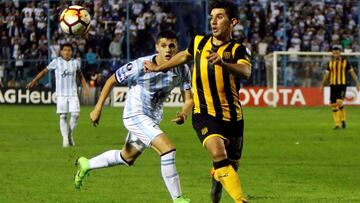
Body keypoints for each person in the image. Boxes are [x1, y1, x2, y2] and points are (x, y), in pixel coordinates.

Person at [144, 1, 251, 202]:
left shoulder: (238, 50)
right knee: (219, 153)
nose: (214, 21)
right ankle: (241, 200)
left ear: (233, 22)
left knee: (230, 165)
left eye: (219, 17)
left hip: (233, 117)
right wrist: (160, 68)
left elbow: (246, 71)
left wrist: (223, 63)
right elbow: (184, 55)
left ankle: (217, 175)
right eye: (211, 17)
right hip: (204, 114)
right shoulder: (199, 42)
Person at [74, 30, 192, 203]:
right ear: (157, 47)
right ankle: (178, 199)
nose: (168, 50)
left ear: (177, 48)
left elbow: (189, 99)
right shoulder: (139, 65)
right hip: (135, 114)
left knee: (127, 157)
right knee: (167, 149)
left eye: (172, 46)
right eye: (164, 45)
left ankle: (87, 164)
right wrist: (98, 108)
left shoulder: (182, 69)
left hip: (152, 118)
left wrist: (184, 113)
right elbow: (112, 80)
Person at [26, 43, 89, 147]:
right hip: (61, 94)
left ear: (72, 52)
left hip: (73, 93)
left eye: (69, 50)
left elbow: (80, 75)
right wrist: (34, 80)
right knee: (63, 116)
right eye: (65, 50)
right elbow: (44, 71)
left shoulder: (75, 62)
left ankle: (69, 135)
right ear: (61, 52)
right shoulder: (56, 62)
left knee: (75, 114)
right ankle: (65, 140)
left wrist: (86, 88)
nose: (67, 52)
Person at [320, 46, 360, 129]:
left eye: (337, 53)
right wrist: (322, 85)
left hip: (342, 85)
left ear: (340, 53)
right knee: (334, 105)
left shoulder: (345, 62)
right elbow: (326, 75)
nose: (335, 55)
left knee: (339, 102)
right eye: (334, 53)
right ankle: (337, 124)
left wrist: (357, 83)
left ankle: (343, 120)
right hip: (333, 85)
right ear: (332, 54)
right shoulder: (330, 63)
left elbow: (352, 73)